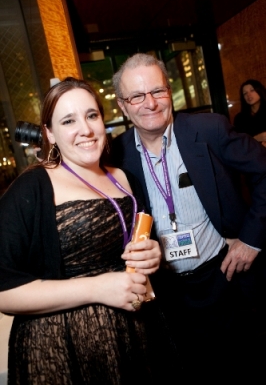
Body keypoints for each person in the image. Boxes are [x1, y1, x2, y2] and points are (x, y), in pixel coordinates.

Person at [0, 77, 178, 385]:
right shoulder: (32, 188)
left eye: (91, 115)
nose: (85, 129)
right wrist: (96, 288)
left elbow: (134, 245)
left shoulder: (123, 177)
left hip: (135, 336)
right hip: (66, 350)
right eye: (68, 120)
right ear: (50, 134)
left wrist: (153, 254)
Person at [111, 53, 266, 381]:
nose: (150, 103)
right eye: (137, 96)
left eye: (158, 91)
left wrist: (253, 238)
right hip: (166, 298)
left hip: (225, 280)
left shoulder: (209, 129)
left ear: (170, 92)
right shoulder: (114, 155)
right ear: (123, 107)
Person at [234, 79, 266, 146]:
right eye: (245, 93)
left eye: (252, 90)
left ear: (259, 91)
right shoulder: (240, 119)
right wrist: (256, 138)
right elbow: (238, 144)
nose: (248, 95)